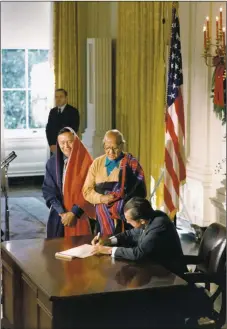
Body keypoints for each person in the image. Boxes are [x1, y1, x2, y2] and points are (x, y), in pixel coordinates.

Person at [91, 197, 187, 275]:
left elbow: (138, 253)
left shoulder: (159, 224)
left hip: (170, 276)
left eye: (129, 220)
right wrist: (108, 241)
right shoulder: (149, 218)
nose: (127, 222)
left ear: (141, 221)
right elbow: (129, 234)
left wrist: (108, 250)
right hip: (154, 268)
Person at [82, 130, 146, 236]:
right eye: (107, 148)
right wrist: (102, 198)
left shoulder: (130, 163)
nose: (111, 152)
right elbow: (87, 191)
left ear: (122, 145)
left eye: (115, 148)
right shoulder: (97, 163)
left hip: (126, 217)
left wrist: (119, 202)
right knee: (104, 244)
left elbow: (141, 191)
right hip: (103, 216)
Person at [42, 127, 95, 238]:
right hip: (60, 215)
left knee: (82, 250)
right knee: (58, 250)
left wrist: (74, 213)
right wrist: (62, 213)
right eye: (62, 142)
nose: (66, 146)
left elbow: (90, 189)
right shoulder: (52, 163)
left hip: (81, 214)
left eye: (70, 142)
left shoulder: (87, 162)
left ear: (76, 141)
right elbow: (49, 190)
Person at [46, 89, 80, 154]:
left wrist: (64, 144)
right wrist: (51, 144)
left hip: (67, 147)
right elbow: (48, 129)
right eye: (56, 97)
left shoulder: (73, 111)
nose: (58, 99)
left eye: (61, 97)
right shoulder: (52, 112)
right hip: (54, 147)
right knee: (55, 164)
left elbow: (74, 129)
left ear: (66, 98)